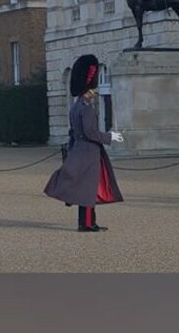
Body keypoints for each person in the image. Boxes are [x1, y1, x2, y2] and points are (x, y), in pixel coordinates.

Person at [44, 54, 125, 232]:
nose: (94, 92)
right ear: (87, 89)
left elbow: (74, 132)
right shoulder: (86, 108)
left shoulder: (76, 107)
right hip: (89, 152)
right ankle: (87, 224)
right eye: (92, 90)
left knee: (84, 188)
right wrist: (111, 137)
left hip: (79, 150)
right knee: (88, 189)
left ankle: (88, 222)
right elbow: (91, 133)